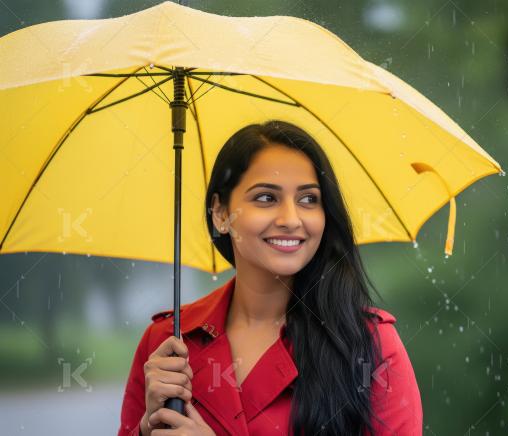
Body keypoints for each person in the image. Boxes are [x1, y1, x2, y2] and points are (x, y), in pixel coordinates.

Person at [117, 120, 423, 435]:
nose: (291, 219)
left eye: (307, 199)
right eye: (266, 198)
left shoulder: (369, 346)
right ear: (221, 214)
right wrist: (146, 427)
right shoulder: (168, 342)